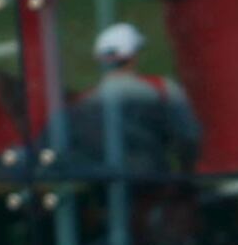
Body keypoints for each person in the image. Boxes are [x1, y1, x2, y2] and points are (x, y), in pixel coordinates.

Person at [36, 22, 202, 182]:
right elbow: (189, 137)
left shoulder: (84, 101)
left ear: (100, 59)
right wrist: (185, 180)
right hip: (153, 184)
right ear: (133, 56)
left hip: (101, 190)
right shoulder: (163, 89)